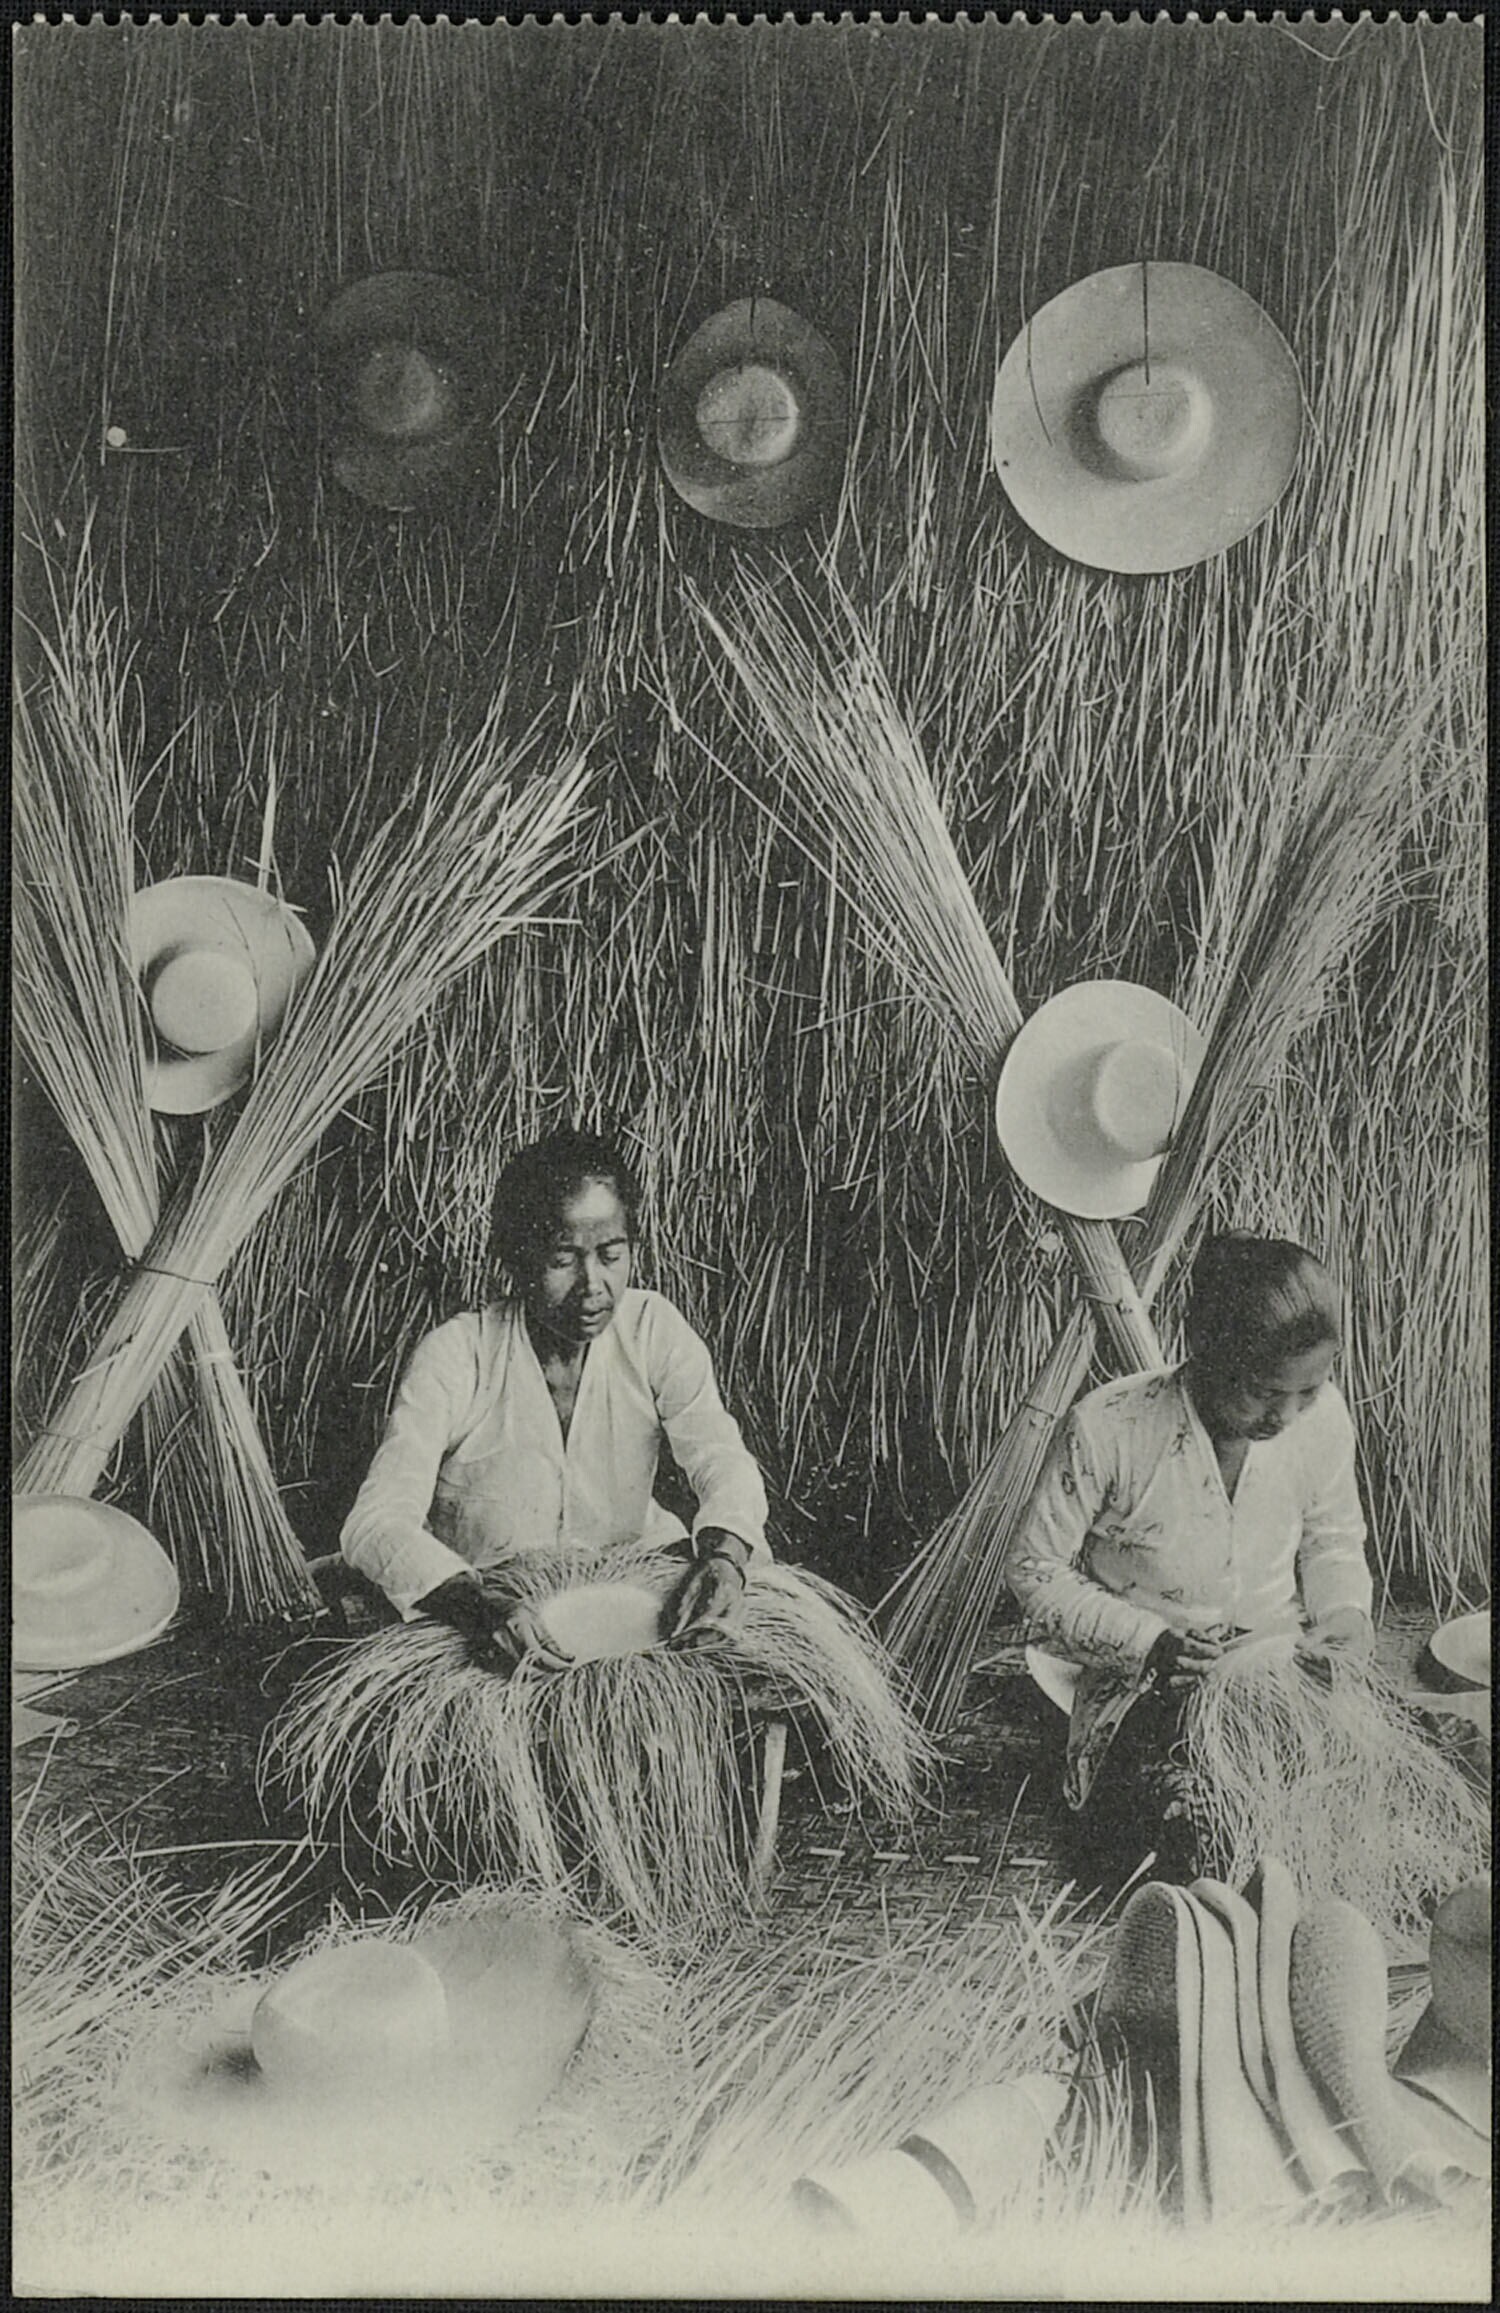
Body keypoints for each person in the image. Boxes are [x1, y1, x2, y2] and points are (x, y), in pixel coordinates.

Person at [1004, 1232, 1375, 1873]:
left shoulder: (1324, 1421)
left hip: (1277, 1671)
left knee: (1355, 1801)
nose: (1288, 1415)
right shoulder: (1110, 1426)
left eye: (1309, 1391)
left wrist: (1344, 1618)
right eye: (1264, 1391)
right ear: (1208, 1349)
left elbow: (1333, 1541)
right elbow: (1035, 1572)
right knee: (1196, 1829)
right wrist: (1151, 1643)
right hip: (1145, 1685)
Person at [342, 1128, 769, 1671]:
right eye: (562, 1259)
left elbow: (722, 1458)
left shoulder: (652, 1330)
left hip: (632, 1594)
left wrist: (725, 1557)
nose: (593, 1284)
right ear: (517, 1259)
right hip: (498, 1611)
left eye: (611, 1254)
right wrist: (477, 1605)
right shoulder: (460, 1355)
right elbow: (377, 1520)